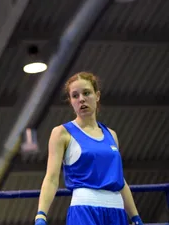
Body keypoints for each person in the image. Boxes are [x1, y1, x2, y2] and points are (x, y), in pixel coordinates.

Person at [34, 72, 143, 225]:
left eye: (86, 93)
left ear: (97, 96)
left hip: (117, 211)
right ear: (71, 101)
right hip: (84, 209)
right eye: (75, 96)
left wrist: (135, 217)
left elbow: (119, 180)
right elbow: (51, 178)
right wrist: (41, 215)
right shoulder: (62, 133)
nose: (82, 99)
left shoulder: (111, 135)